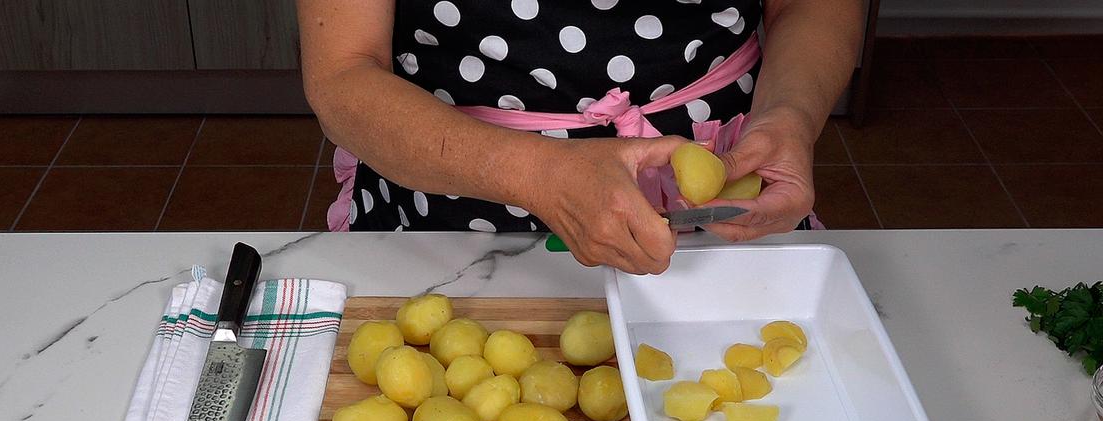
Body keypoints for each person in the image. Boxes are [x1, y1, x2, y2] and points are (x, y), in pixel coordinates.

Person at [298, 1, 862, 275]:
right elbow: (343, 73)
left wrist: (789, 116)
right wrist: (538, 173)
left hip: (720, 207)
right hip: (451, 216)